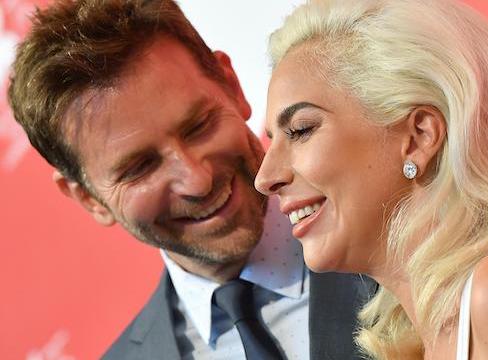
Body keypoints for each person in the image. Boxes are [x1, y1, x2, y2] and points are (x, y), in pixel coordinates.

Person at [255, 0, 488, 358]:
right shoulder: (434, 330)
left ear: (419, 136)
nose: (265, 178)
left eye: (301, 130)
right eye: (273, 140)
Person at [8, 0, 375, 359]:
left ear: (233, 86)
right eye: (141, 167)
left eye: (199, 126)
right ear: (88, 198)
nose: (197, 180)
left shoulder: (401, 224)